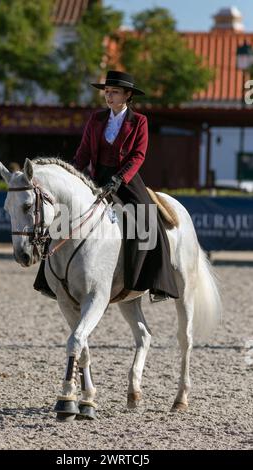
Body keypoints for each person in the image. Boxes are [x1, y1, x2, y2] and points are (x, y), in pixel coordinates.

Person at [34, 70, 179, 302]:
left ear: (128, 95)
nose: (108, 96)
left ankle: (157, 283)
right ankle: (47, 279)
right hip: (95, 178)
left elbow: (138, 156)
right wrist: (70, 173)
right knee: (62, 215)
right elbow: (82, 153)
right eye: (107, 92)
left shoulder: (139, 121)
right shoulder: (96, 119)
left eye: (114, 92)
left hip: (126, 180)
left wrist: (120, 178)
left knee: (147, 218)